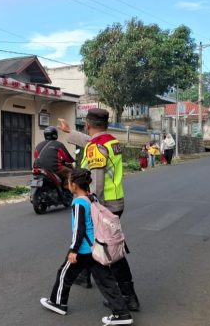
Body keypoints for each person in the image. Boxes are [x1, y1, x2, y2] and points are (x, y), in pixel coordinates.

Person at [58, 109, 140, 311]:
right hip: (115, 202)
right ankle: (85, 276)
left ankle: (128, 297)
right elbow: (92, 142)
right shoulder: (111, 141)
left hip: (103, 205)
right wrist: (70, 132)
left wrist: (90, 205)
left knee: (111, 251)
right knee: (93, 243)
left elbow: (97, 182)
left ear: (87, 124)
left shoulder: (97, 147)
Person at [40, 168, 133, 325]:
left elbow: (79, 229)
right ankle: (122, 313)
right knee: (106, 281)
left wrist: (73, 250)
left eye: (68, 182)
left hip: (83, 249)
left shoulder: (78, 203)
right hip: (96, 248)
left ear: (74, 185)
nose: (67, 184)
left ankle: (57, 303)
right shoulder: (92, 198)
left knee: (64, 273)